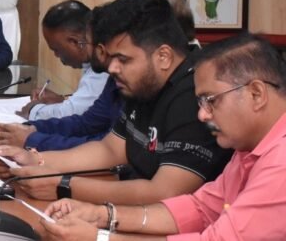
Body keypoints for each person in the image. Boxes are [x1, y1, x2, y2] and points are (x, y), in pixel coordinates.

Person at [39, 34, 286, 240]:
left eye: (211, 100)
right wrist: (104, 215)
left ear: (256, 94)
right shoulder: (250, 147)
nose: (202, 114)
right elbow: (201, 209)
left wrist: (100, 238)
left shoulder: (281, 162)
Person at [0, 0, 232, 205]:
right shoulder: (144, 81)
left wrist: (64, 186)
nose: (112, 68)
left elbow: (165, 192)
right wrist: (35, 159)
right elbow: (110, 149)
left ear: (163, 57)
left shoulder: (197, 95)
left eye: (123, 59)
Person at [0, 3, 121, 151]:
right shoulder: (103, 73)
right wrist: (31, 129)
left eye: (56, 49)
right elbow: (86, 121)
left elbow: (101, 145)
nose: (113, 69)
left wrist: (32, 123)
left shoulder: (105, 72)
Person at [19, 0, 109, 120]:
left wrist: (33, 109)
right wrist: (63, 100)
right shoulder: (91, 62)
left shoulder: (103, 67)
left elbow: (73, 115)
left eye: (56, 49)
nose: (56, 55)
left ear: (74, 42)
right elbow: (87, 105)